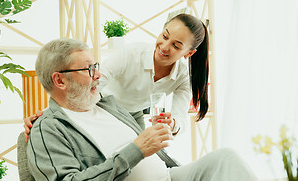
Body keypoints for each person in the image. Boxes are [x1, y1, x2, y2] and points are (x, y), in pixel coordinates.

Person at [27, 38, 256, 181]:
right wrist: (136, 150)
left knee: (227, 158)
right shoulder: (49, 129)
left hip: (171, 180)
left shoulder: (108, 104)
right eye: (88, 69)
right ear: (59, 81)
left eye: (95, 66)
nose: (98, 74)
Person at [24, 13, 209, 138]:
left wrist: (173, 123)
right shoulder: (131, 54)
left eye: (176, 46)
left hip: (134, 114)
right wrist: (45, 114)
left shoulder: (182, 76)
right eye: (165, 36)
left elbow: (180, 117)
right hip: (103, 105)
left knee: (147, 156)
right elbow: (93, 82)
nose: (164, 46)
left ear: (189, 53)